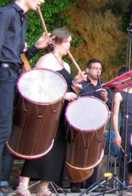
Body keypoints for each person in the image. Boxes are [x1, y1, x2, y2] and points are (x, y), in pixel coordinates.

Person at [15, 28, 84, 196]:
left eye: (69, 42)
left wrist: (75, 84)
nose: (69, 45)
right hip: (46, 111)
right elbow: (38, 85)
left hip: (61, 112)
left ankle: (44, 186)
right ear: (55, 42)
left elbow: (65, 87)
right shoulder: (46, 60)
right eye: (66, 42)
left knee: (58, 149)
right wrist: (63, 95)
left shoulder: (65, 65)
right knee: (40, 146)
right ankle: (23, 184)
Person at [0, 0, 51, 193]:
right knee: (2, 128)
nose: (42, 0)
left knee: (7, 128)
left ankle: (2, 180)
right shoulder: (7, 13)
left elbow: (18, 56)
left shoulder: (23, 19)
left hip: (12, 74)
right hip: (3, 73)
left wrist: (35, 48)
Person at [70, 59, 113, 192]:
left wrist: (106, 99)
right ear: (87, 70)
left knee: (95, 152)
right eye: (95, 68)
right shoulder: (81, 84)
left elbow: (110, 107)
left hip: (97, 124)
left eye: (100, 69)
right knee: (80, 152)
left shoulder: (104, 86)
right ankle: (76, 183)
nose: (98, 71)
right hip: (81, 122)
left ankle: (91, 183)